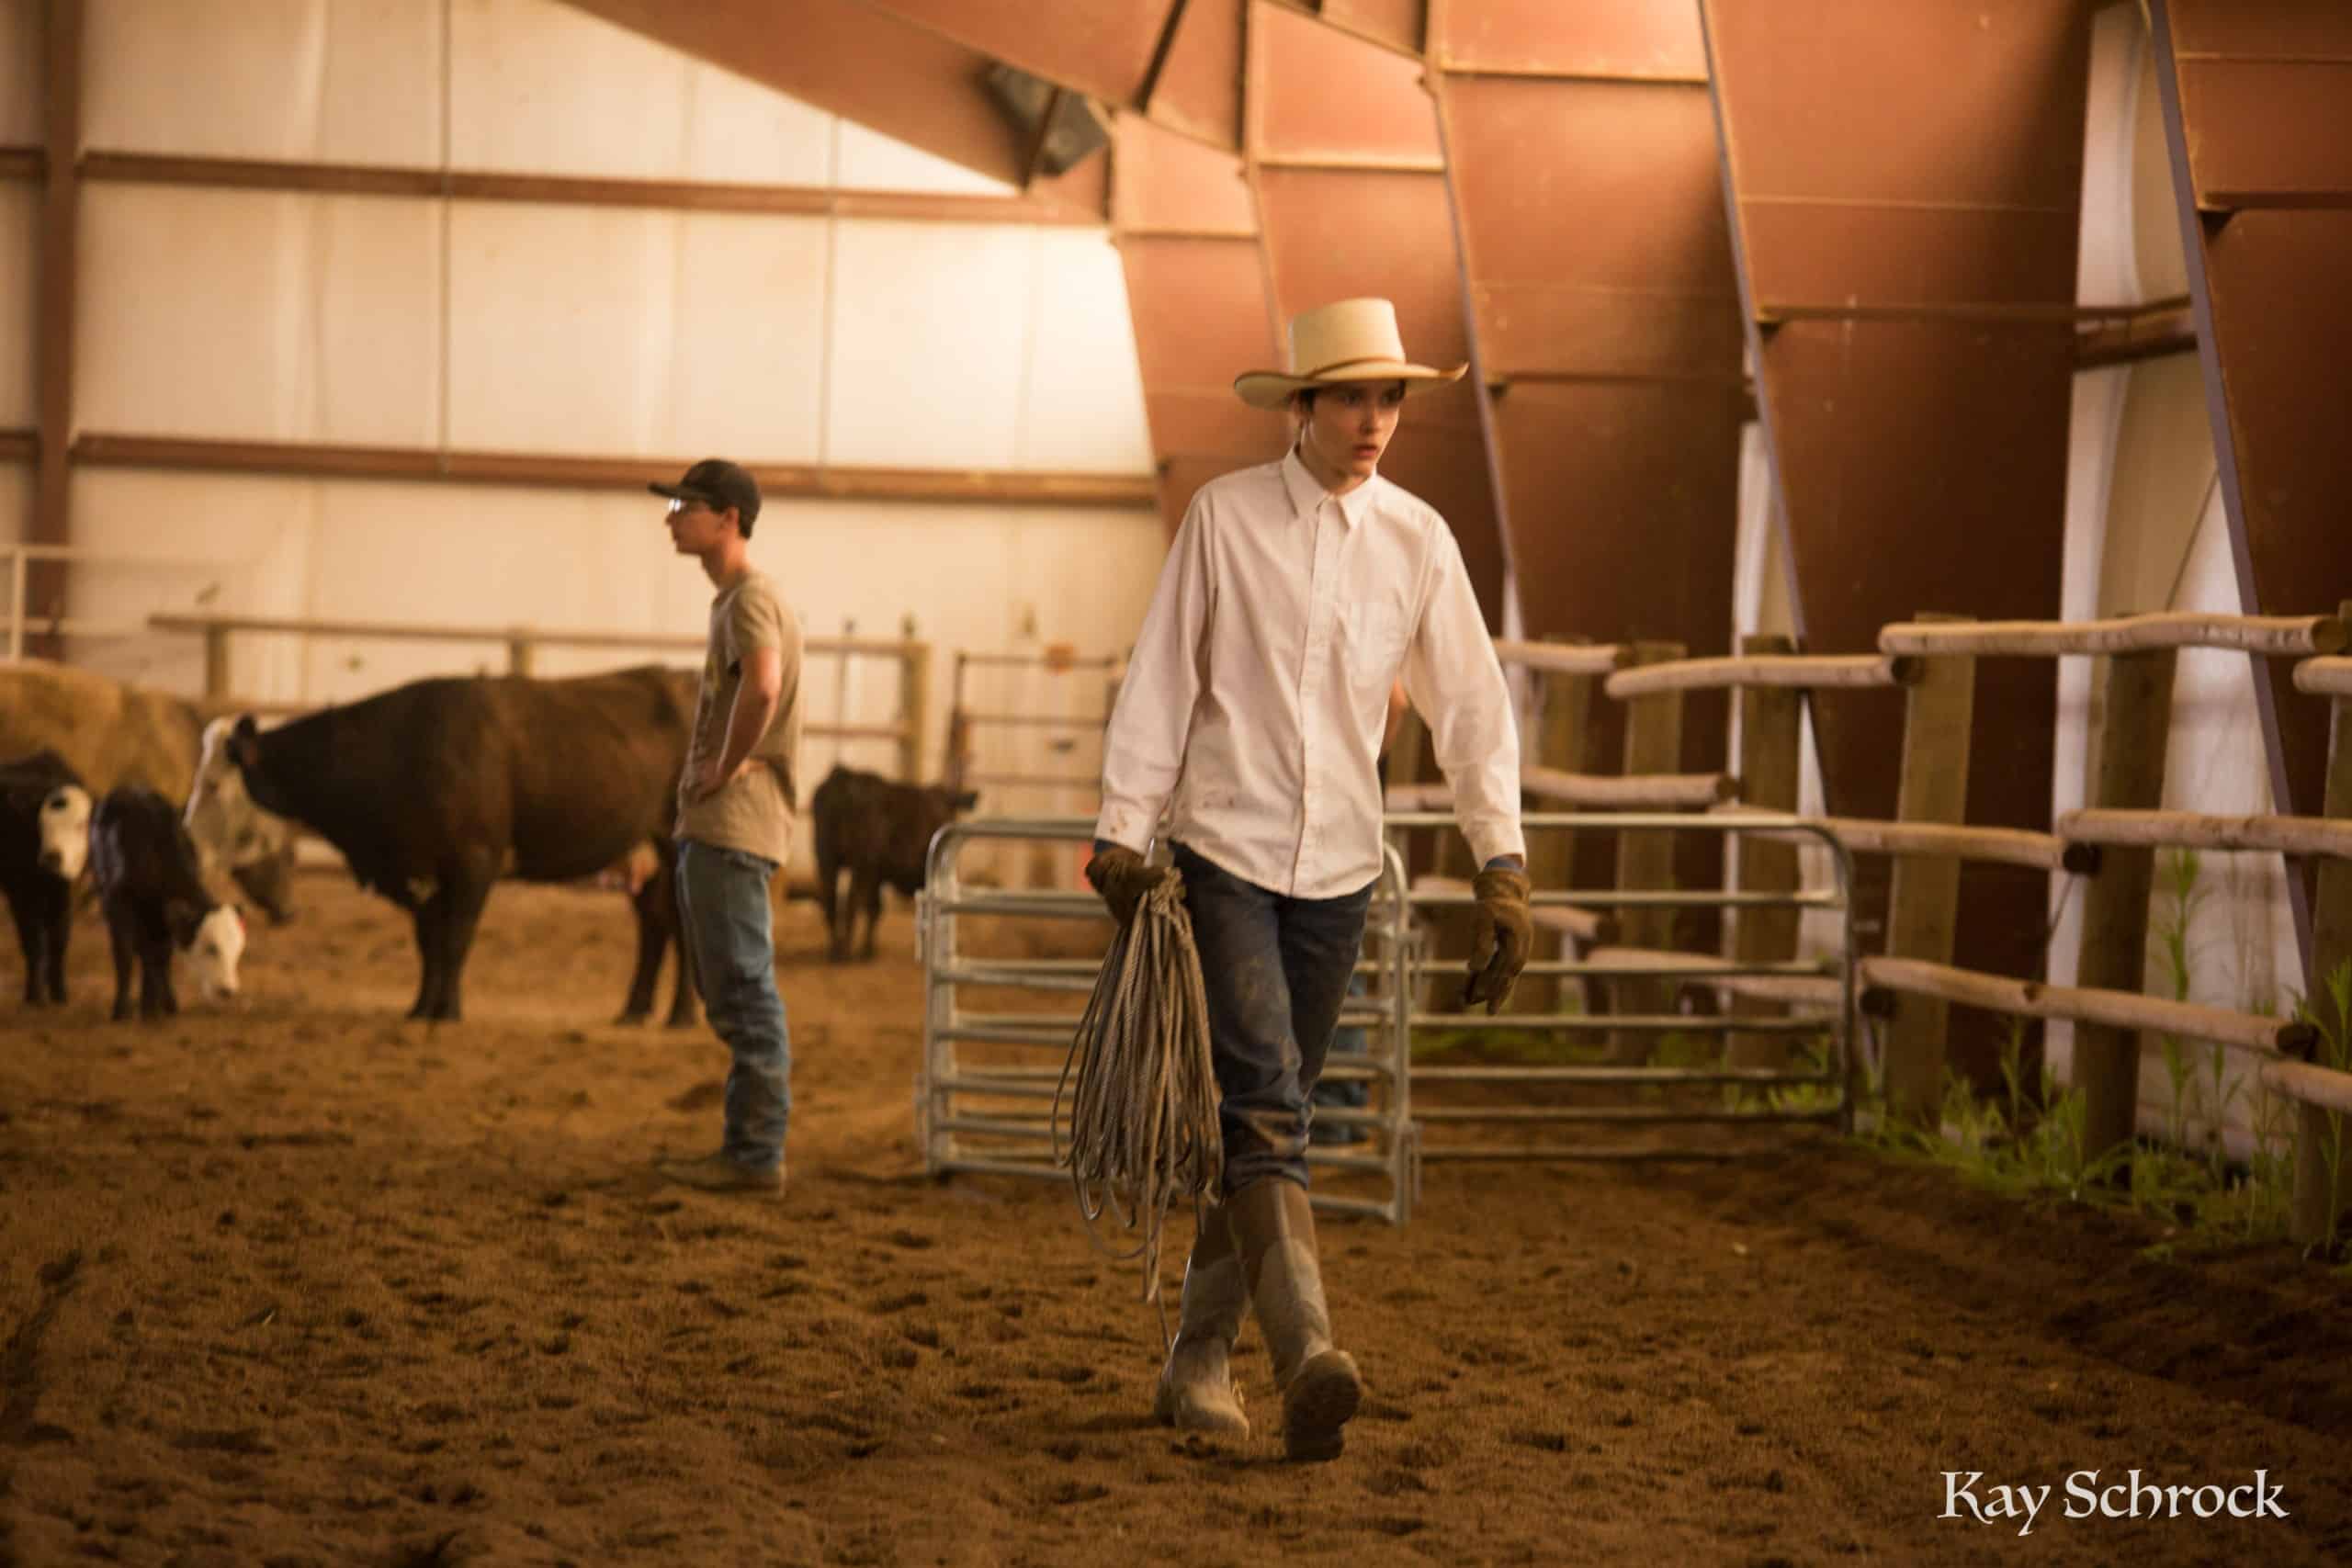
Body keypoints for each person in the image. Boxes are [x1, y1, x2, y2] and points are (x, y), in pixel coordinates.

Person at [1086, 299, 1532, 1461]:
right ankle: (1307, 1359)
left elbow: (1471, 707)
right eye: (1351, 397)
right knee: (1271, 1112)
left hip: (1339, 870)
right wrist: (1122, 830)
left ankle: (1194, 1362)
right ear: (1302, 408)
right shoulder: (1224, 522)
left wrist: (1503, 864)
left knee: (1264, 1122)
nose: (1375, 418)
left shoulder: (1418, 542)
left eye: (1389, 397)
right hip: (1222, 853)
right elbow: (1161, 676)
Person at [650, 458, 803, 1194]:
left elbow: (764, 683)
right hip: (728, 828)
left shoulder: (747, 599)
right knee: (734, 989)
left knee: (742, 990)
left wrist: (724, 765)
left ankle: (754, 1153)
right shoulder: (739, 599)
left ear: (728, 518)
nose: (672, 516)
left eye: (686, 504)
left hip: (732, 828)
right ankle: (750, 1147)